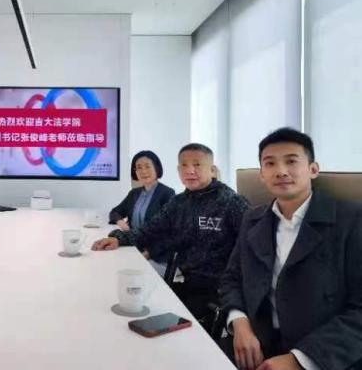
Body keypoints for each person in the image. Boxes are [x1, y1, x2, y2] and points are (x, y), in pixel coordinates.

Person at [220, 128, 362, 370]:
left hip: (325, 353)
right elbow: (232, 279)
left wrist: (299, 360)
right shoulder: (252, 219)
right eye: (270, 163)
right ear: (262, 175)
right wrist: (240, 323)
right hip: (257, 345)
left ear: (313, 169)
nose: (281, 171)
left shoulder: (351, 220)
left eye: (291, 161)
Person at [92, 143, 249, 323]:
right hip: (187, 282)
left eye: (197, 164)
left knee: (160, 318)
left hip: (219, 290)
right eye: (184, 165)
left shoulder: (231, 202)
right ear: (178, 170)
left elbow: (251, 249)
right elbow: (150, 229)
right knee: (135, 305)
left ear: (212, 170)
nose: (190, 170)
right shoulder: (179, 202)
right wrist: (119, 239)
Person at [109, 150, 175, 233]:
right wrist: (120, 222)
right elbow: (115, 212)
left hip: (153, 240)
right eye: (139, 168)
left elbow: (165, 226)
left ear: (156, 168)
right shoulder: (134, 193)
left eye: (147, 166)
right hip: (131, 238)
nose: (143, 171)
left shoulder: (167, 193)